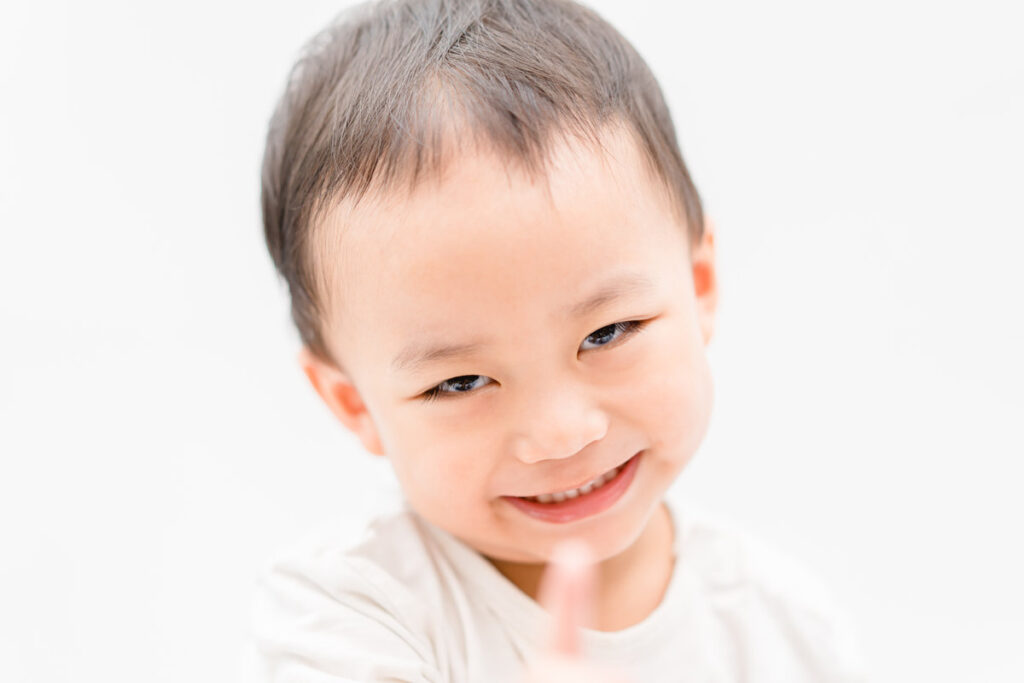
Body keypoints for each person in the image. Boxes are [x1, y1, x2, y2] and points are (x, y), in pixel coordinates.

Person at [251, 0, 868, 680]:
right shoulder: (355, 618)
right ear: (353, 402)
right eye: (460, 381)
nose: (561, 433)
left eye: (607, 332)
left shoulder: (778, 629)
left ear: (697, 285)